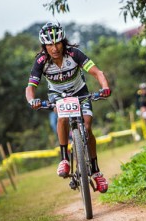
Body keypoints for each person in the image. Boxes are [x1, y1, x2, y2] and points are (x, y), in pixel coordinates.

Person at [25, 22, 111, 193]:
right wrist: (31, 100)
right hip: (57, 95)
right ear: (45, 46)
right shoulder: (41, 61)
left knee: (87, 127)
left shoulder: (74, 54)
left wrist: (104, 88)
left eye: (57, 43)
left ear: (63, 42)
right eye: (50, 44)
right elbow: (30, 87)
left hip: (80, 92)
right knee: (62, 116)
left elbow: (97, 72)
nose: (54, 48)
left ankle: (95, 171)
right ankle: (64, 159)